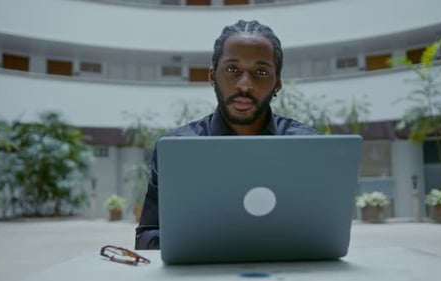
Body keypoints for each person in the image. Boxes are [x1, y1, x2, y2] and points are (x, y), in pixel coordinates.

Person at [135, 19, 320, 250]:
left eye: (260, 71)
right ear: (212, 76)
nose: (244, 85)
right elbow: (145, 238)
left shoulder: (308, 147)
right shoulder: (176, 149)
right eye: (232, 70)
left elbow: (325, 234)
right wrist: (211, 244)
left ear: (278, 83)